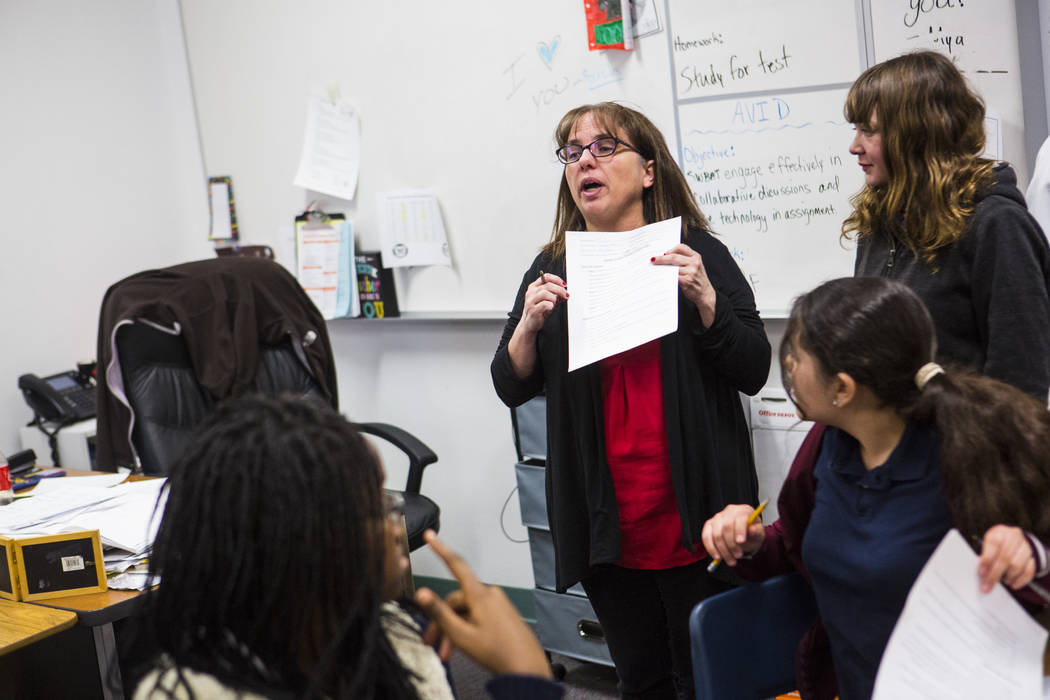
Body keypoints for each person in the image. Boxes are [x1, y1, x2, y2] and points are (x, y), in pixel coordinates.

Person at [491, 101, 771, 699]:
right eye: (572, 151)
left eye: (604, 147)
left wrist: (706, 300)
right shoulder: (552, 267)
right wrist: (526, 331)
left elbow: (753, 367)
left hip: (697, 509)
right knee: (641, 678)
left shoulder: (696, 253)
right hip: (606, 519)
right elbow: (510, 384)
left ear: (649, 170)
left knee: (711, 676)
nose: (584, 160)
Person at [701, 277, 1050, 700]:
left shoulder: (965, 450)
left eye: (798, 355)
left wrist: (1031, 552)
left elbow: (1033, 571)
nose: (788, 365)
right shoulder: (827, 445)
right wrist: (752, 541)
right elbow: (797, 544)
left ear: (843, 388)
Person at [132, 395, 562, 700]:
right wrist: (526, 677)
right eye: (374, 506)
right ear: (303, 542)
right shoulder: (194, 692)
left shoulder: (391, 637)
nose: (397, 523)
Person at [843, 50, 1050, 399]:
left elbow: (1020, 386)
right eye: (856, 130)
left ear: (916, 135)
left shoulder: (997, 225)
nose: (854, 146)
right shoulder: (880, 223)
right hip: (893, 447)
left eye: (869, 131)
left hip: (961, 448)